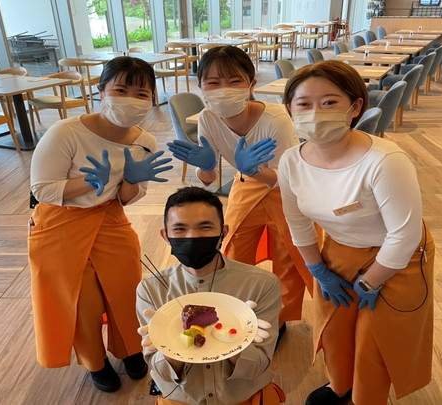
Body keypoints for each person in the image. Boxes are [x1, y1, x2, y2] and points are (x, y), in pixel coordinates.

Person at [277, 60, 435, 405]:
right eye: (304, 104)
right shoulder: (290, 161)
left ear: (355, 106)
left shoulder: (385, 160)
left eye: (329, 102)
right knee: (334, 325)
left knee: (373, 339)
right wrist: (317, 269)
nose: (315, 113)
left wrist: (371, 281)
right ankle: (340, 386)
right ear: (290, 109)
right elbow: (297, 221)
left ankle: (365, 398)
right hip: (340, 248)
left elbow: (404, 235)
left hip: (398, 257)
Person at [28, 56, 173, 392]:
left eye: (141, 93)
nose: (131, 99)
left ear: (152, 98)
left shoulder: (144, 142)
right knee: (81, 299)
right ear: (101, 91)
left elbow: (126, 199)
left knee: (126, 287)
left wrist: (130, 181)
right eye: (121, 90)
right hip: (60, 221)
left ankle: (131, 348)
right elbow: (41, 190)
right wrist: (88, 183)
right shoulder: (66, 133)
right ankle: (95, 361)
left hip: (109, 216)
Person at [167, 46, 313, 337]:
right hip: (246, 186)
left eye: (234, 81)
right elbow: (209, 178)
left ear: (251, 83)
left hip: (285, 192)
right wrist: (204, 167)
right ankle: (238, 309)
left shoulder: (275, 120)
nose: (224, 90)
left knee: (288, 256)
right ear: (200, 87)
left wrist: (255, 170)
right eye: (213, 82)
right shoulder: (208, 118)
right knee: (232, 249)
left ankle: (279, 320)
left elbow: (288, 179)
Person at [136, 186, 284, 405]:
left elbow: (259, 365)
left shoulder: (261, 284)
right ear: (165, 236)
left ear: (223, 232)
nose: (192, 236)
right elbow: (160, 373)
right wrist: (169, 346)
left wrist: (235, 341)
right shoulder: (151, 289)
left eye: (205, 227)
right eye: (180, 229)